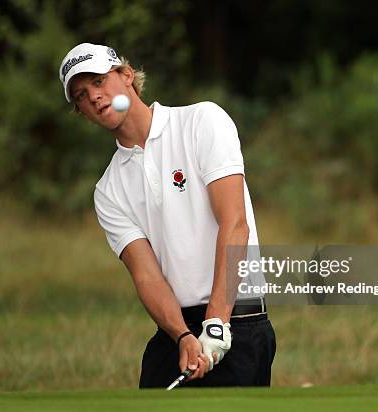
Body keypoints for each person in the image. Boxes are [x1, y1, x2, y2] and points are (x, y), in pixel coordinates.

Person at [58, 43, 276, 388]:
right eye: (82, 96)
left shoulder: (202, 121)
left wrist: (217, 321)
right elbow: (147, 277)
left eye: (99, 82)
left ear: (127, 75)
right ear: (82, 112)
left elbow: (234, 224)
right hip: (177, 331)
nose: (95, 97)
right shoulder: (108, 190)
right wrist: (183, 336)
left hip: (238, 318)